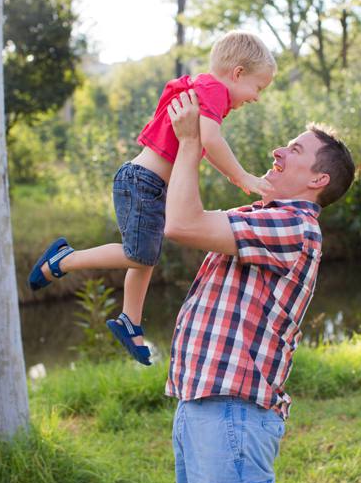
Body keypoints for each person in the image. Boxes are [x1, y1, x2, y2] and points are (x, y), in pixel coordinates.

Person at [163, 89, 354, 483]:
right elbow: (186, 214)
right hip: (202, 403)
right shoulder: (263, 215)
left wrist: (193, 143)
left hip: (233, 410)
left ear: (316, 179)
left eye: (293, 149)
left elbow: (181, 224)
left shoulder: (293, 226)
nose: (278, 150)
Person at [27, 31, 278, 365]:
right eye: (258, 88)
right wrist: (243, 176)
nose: (257, 97)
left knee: (146, 254)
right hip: (142, 181)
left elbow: (204, 144)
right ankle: (64, 259)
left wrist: (234, 175)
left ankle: (130, 320)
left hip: (149, 184)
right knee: (139, 255)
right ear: (238, 73)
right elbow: (213, 142)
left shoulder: (203, 88)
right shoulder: (214, 90)